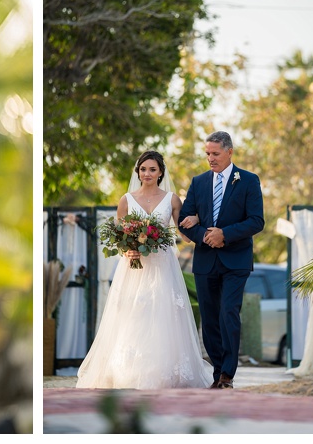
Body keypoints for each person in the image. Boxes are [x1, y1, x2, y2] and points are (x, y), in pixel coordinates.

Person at [74, 151, 215, 389]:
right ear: (137, 172)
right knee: (134, 316)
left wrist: (195, 222)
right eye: (143, 169)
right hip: (134, 268)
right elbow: (119, 238)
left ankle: (162, 371)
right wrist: (127, 250)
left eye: (152, 169)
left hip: (162, 267)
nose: (147, 174)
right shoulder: (126, 200)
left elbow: (184, 237)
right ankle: (128, 371)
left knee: (161, 315)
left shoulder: (172, 199)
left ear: (161, 172)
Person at [176, 131, 265, 389]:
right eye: (207, 154)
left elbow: (256, 221)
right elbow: (185, 219)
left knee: (228, 312)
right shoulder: (198, 182)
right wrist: (205, 234)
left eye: (215, 153)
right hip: (205, 261)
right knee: (210, 318)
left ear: (229, 152)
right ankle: (217, 374)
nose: (210, 159)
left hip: (236, 260)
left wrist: (225, 234)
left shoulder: (248, 180)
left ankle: (228, 373)